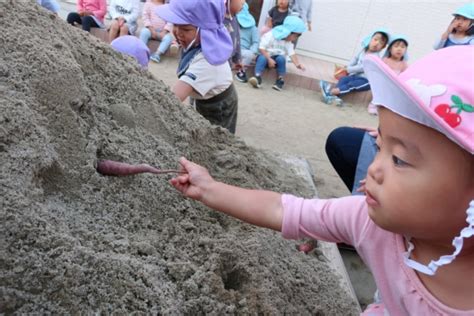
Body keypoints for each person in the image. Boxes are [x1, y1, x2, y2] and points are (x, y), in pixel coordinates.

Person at [170, 46, 474, 314]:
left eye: (399, 159)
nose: (373, 170)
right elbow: (286, 209)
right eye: (379, 146)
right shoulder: (370, 223)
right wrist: (210, 188)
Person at [156, 0, 238, 134]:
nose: (177, 32)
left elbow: (172, 98)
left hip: (218, 108)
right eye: (175, 24)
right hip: (204, 96)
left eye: (186, 29)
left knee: (216, 140)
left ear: (206, 31)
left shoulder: (207, 63)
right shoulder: (195, 42)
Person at [319, 29, 390, 105]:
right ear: (370, 39)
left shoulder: (375, 57)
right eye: (375, 40)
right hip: (355, 75)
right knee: (344, 79)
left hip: (366, 81)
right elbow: (355, 59)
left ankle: (332, 92)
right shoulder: (363, 50)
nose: (376, 43)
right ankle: (334, 97)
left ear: (383, 47)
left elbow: (362, 67)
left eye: (380, 43)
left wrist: (348, 69)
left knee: (352, 85)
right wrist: (348, 67)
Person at [248, 15, 306, 91]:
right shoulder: (271, 35)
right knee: (262, 57)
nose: (296, 38)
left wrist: (297, 64)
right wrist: (269, 59)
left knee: (281, 59)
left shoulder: (288, 42)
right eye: (296, 36)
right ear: (289, 32)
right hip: (265, 56)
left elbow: (292, 53)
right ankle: (257, 77)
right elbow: (261, 48)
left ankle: (280, 80)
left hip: (276, 61)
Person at [367, 35, 409, 115]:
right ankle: (374, 104)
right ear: (390, 49)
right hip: (383, 83)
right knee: (381, 90)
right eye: (396, 46)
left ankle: (388, 108)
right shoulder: (385, 60)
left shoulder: (403, 64)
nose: (399, 49)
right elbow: (378, 72)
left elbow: (405, 77)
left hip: (395, 86)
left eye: (403, 47)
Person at [234, 2, 260, 83]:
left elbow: (256, 42)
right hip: (231, 48)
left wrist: (253, 51)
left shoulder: (253, 28)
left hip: (243, 50)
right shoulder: (232, 23)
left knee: (249, 54)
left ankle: (241, 72)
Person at [223, 0, 245, 76]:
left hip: (228, 64)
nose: (243, 5)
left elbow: (237, 41)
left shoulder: (235, 20)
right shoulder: (218, 19)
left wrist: (238, 60)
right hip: (216, 61)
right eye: (241, 3)